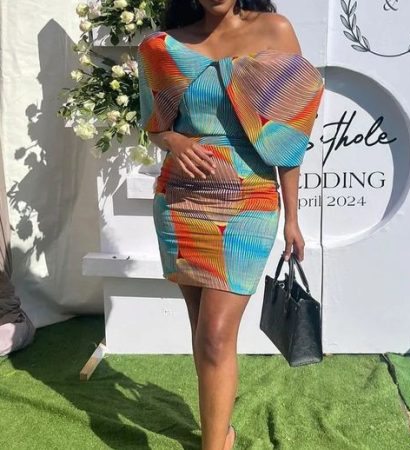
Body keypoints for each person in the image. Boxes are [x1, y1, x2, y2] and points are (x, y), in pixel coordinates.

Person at [137, 0, 324, 448]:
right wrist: (177, 141)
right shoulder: (163, 47)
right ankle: (219, 435)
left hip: (249, 202)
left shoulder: (275, 31)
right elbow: (154, 127)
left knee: (216, 334)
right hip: (181, 202)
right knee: (204, 334)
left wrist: (293, 218)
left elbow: (289, 137)